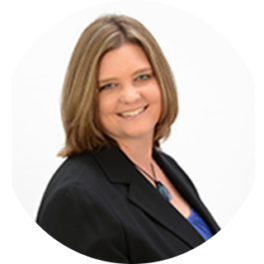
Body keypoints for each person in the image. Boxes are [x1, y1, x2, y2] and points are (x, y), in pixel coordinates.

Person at [35, 14, 221, 263]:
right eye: (109, 86)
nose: (131, 96)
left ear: (161, 82)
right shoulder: (78, 200)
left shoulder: (163, 166)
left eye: (142, 77)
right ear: (86, 97)